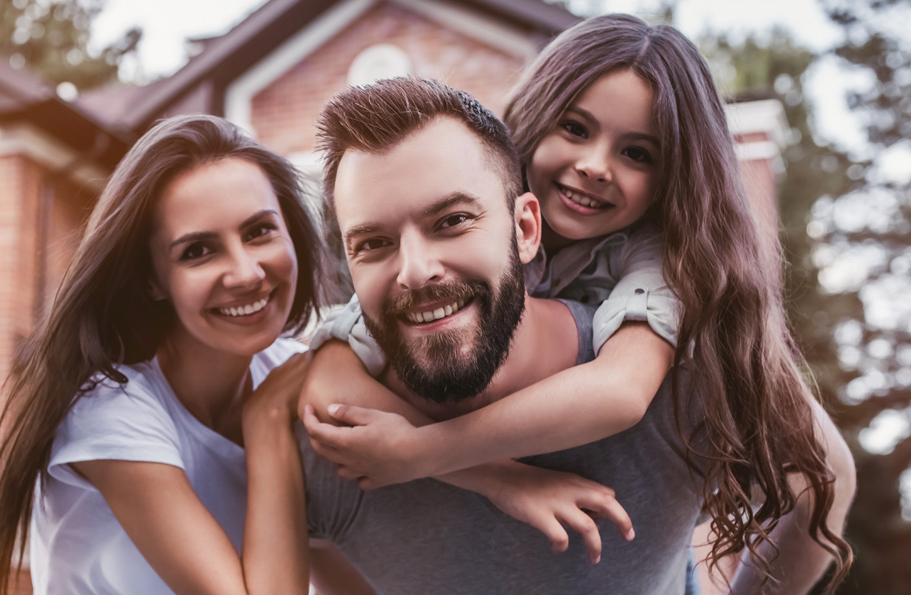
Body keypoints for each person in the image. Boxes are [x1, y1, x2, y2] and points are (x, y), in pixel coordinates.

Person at [303, 15, 855, 594]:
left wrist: (421, 451)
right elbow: (328, 375)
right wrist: (498, 479)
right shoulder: (447, 239)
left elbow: (624, 392)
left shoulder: (661, 260)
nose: (595, 164)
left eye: (638, 153)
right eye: (574, 127)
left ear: (673, 180)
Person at [0, 114, 334, 595]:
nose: (245, 272)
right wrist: (266, 421)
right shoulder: (106, 408)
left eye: (259, 232)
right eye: (198, 251)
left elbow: (356, 570)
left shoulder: (296, 370)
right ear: (151, 280)